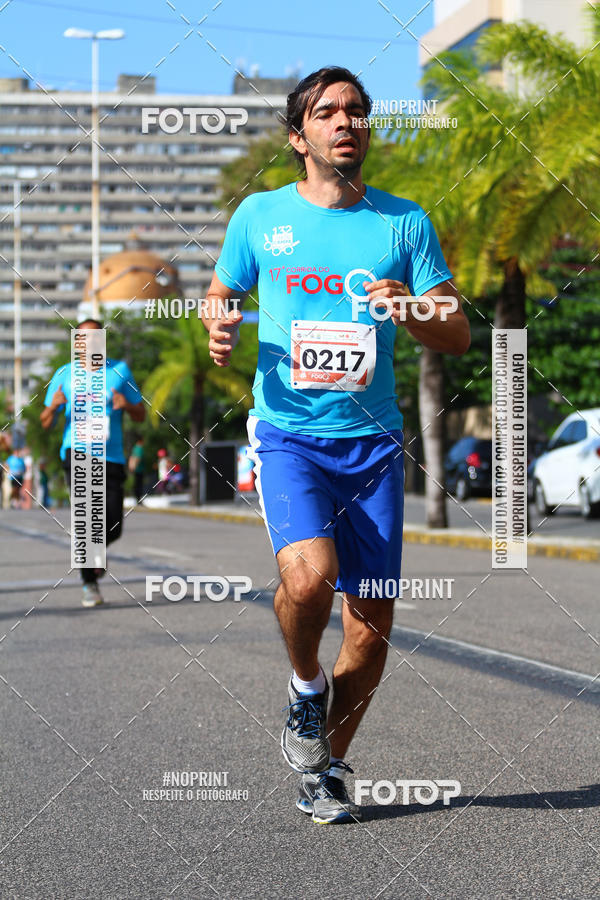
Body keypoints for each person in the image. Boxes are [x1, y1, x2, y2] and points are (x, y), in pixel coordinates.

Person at [203, 66, 470, 824]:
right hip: (289, 434)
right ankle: (304, 685)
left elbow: (455, 331)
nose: (346, 122)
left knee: (372, 630)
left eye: (356, 111)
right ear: (299, 136)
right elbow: (222, 293)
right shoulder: (260, 216)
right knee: (310, 577)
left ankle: (325, 768)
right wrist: (218, 323)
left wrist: (411, 308)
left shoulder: (404, 223)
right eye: (327, 112)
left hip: (375, 446)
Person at [41, 318, 145, 607]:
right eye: (84, 338)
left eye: (96, 337)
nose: (90, 343)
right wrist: (53, 406)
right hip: (76, 453)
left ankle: (95, 554)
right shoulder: (64, 374)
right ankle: (89, 583)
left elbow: (141, 415)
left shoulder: (120, 371)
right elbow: (45, 422)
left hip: (111, 457)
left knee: (114, 524)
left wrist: (127, 405)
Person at [128, 434, 145, 504]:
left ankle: (137, 499)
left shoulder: (135, 447)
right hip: (139, 469)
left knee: (136, 484)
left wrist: (130, 466)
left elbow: (131, 457)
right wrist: (134, 466)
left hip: (135, 469)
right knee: (139, 485)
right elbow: (137, 458)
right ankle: (139, 500)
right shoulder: (139, 448)